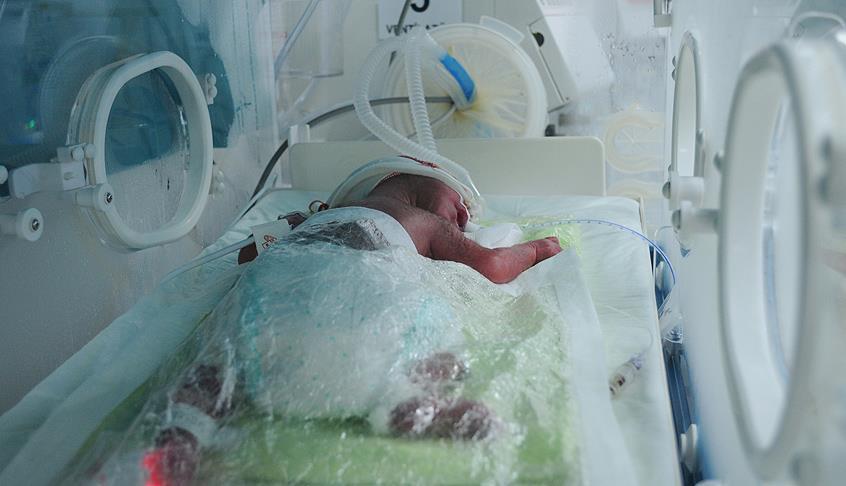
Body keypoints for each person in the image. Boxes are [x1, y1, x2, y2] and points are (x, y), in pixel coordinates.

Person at [140, 169, 562, 485]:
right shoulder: (417, 218)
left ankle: (185, 433)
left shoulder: (312, 218)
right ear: (415, 171)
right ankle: (401, 397)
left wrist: (292, 225)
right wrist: (537, 248)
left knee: (214, 366)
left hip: (265, 344)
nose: (465, 216)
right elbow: (491, 265)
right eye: (461, 201)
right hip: (363, 332)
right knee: (431, 321)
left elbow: (247, 256)